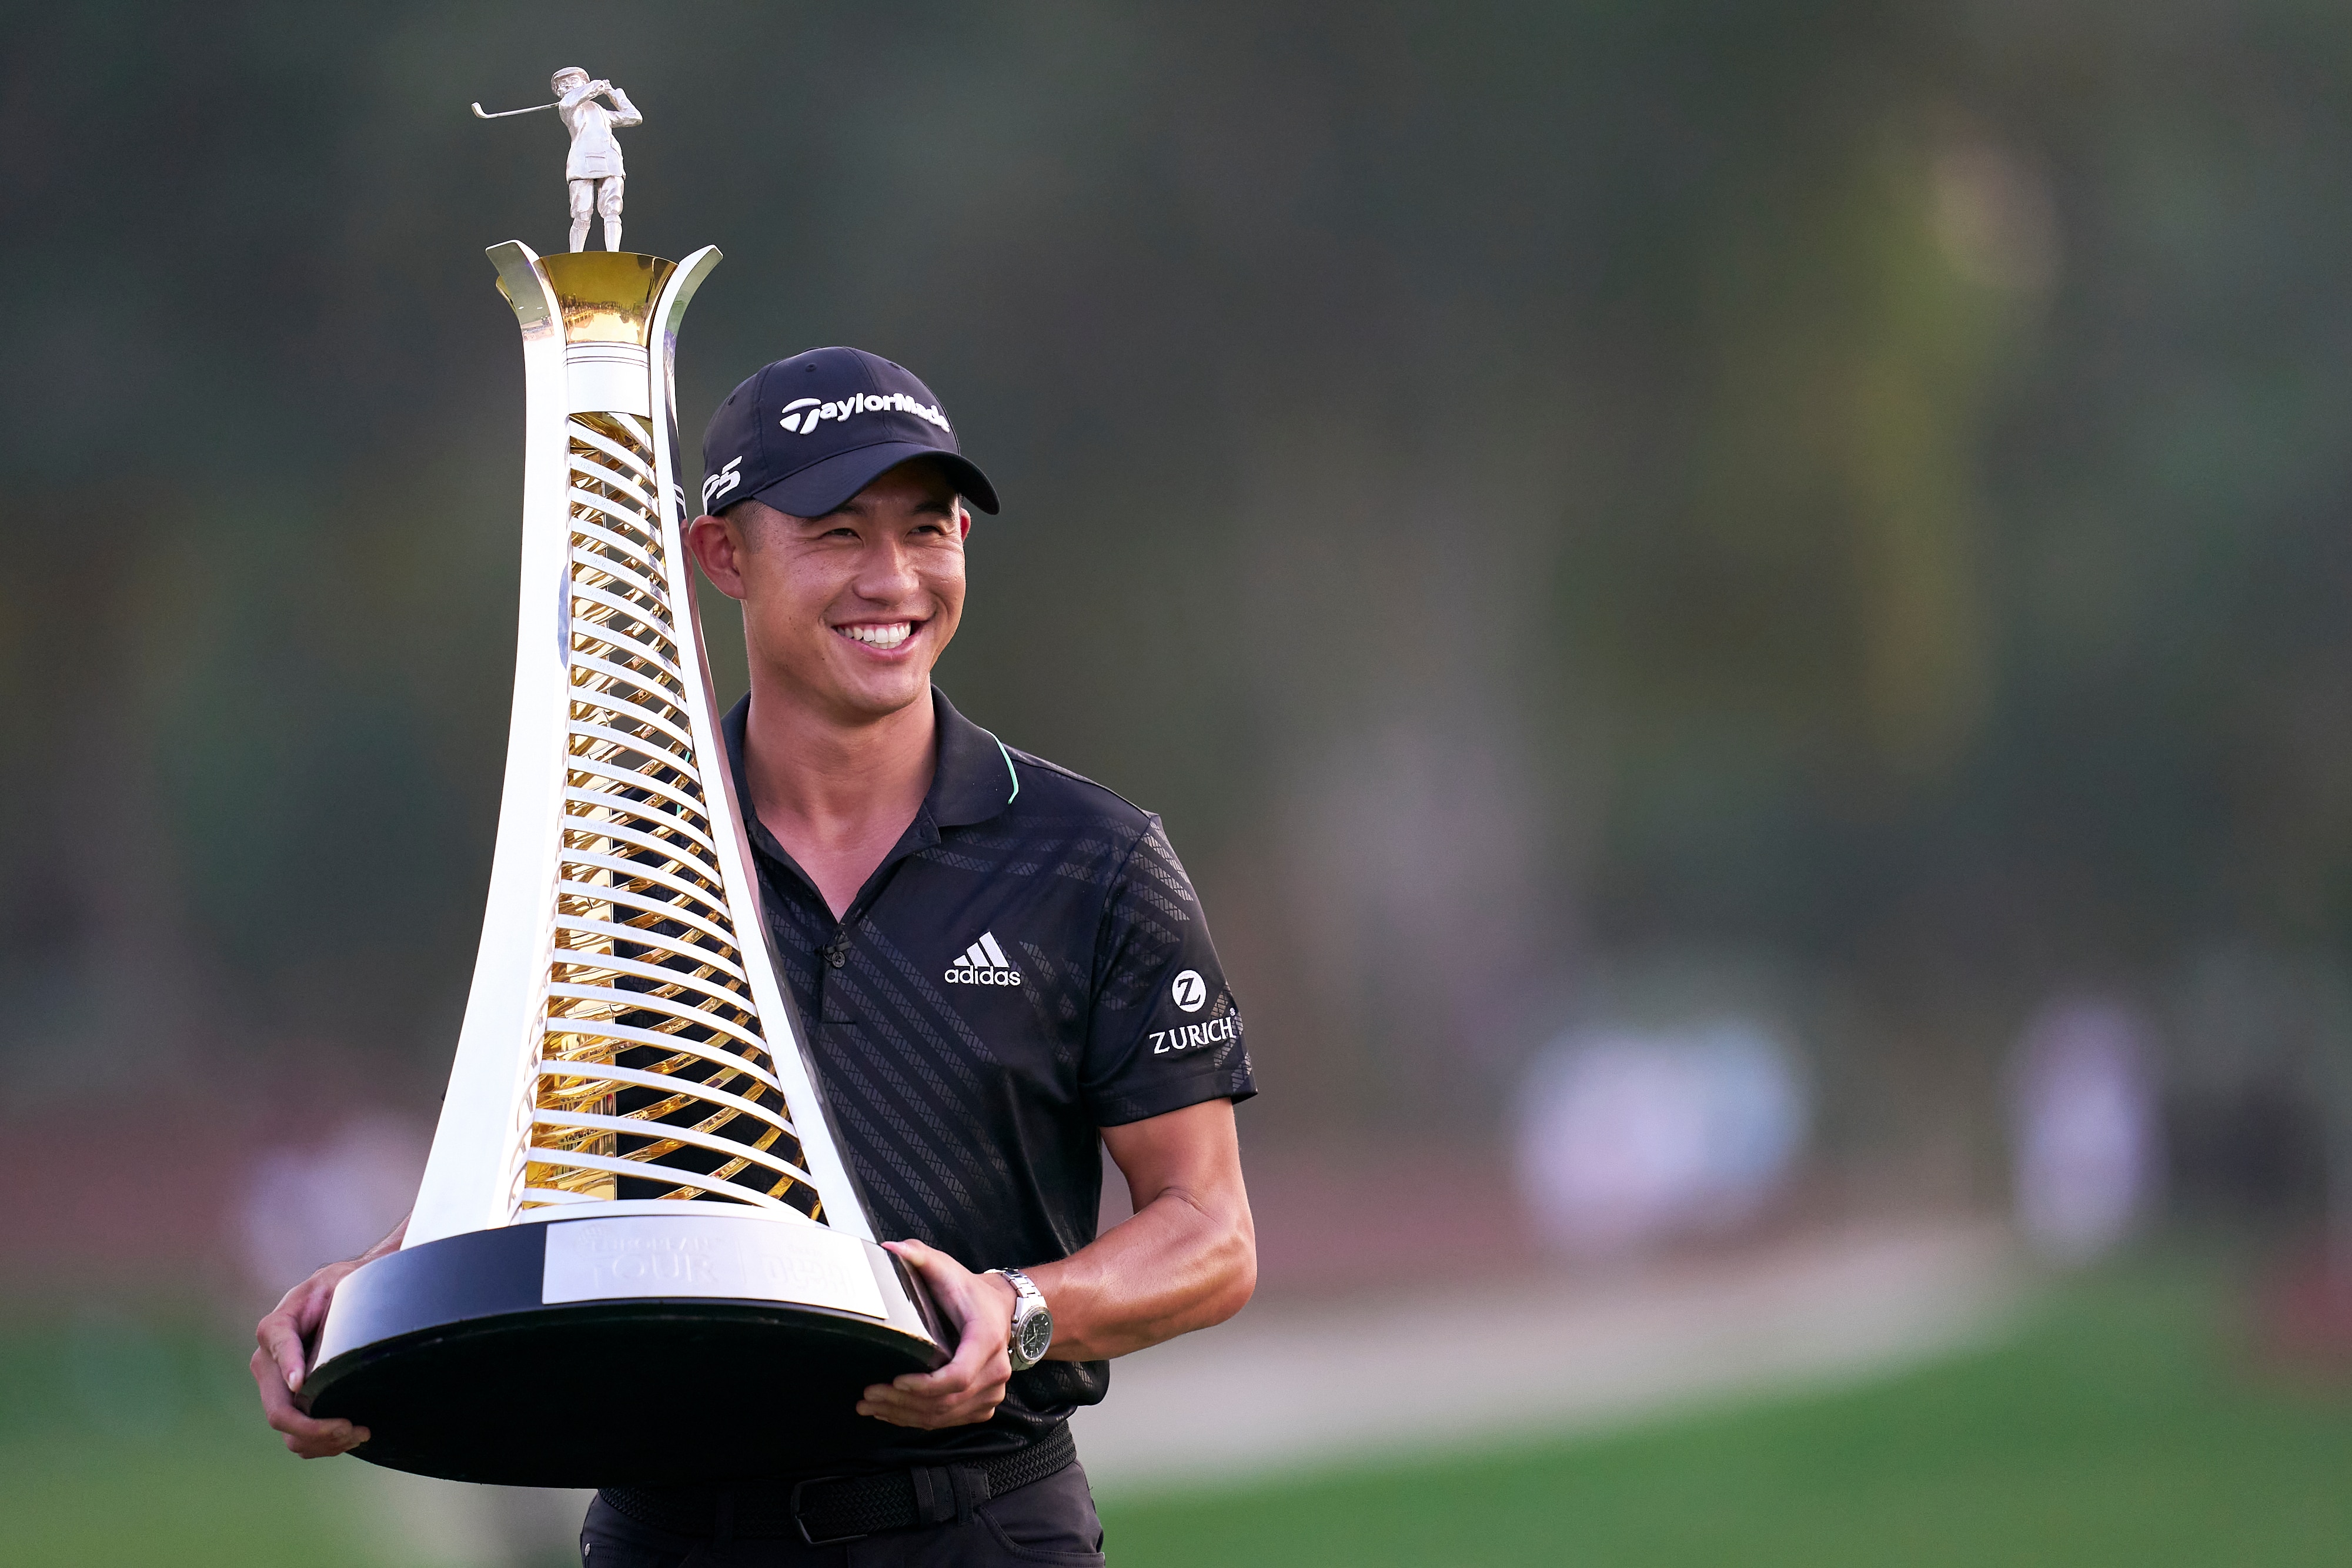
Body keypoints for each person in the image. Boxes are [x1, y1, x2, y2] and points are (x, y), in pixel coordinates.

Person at [252, 346, 1258, 1564]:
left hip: (978, 1525)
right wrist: (363, 1302)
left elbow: (1209, 1233)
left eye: (927, 530)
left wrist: (1023, 1308)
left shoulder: (1090, 859)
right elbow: (541, 1174)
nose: (893, 579)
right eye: (836, 533)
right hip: (674, 1530)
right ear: (722, 555)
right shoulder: (613, 857)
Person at [552, 66, 640, 252]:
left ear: (583, 82)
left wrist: (613, 94)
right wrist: (595, 87)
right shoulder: (567, 107)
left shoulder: (602, 113)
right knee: (582, 212)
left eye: (573, 81)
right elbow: (572, 100)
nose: (568, 86)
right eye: (563, 85)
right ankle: (575, 255)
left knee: (613, 208)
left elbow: (634, 117)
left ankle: (613, 253)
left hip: (609, 157)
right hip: (582, 161)